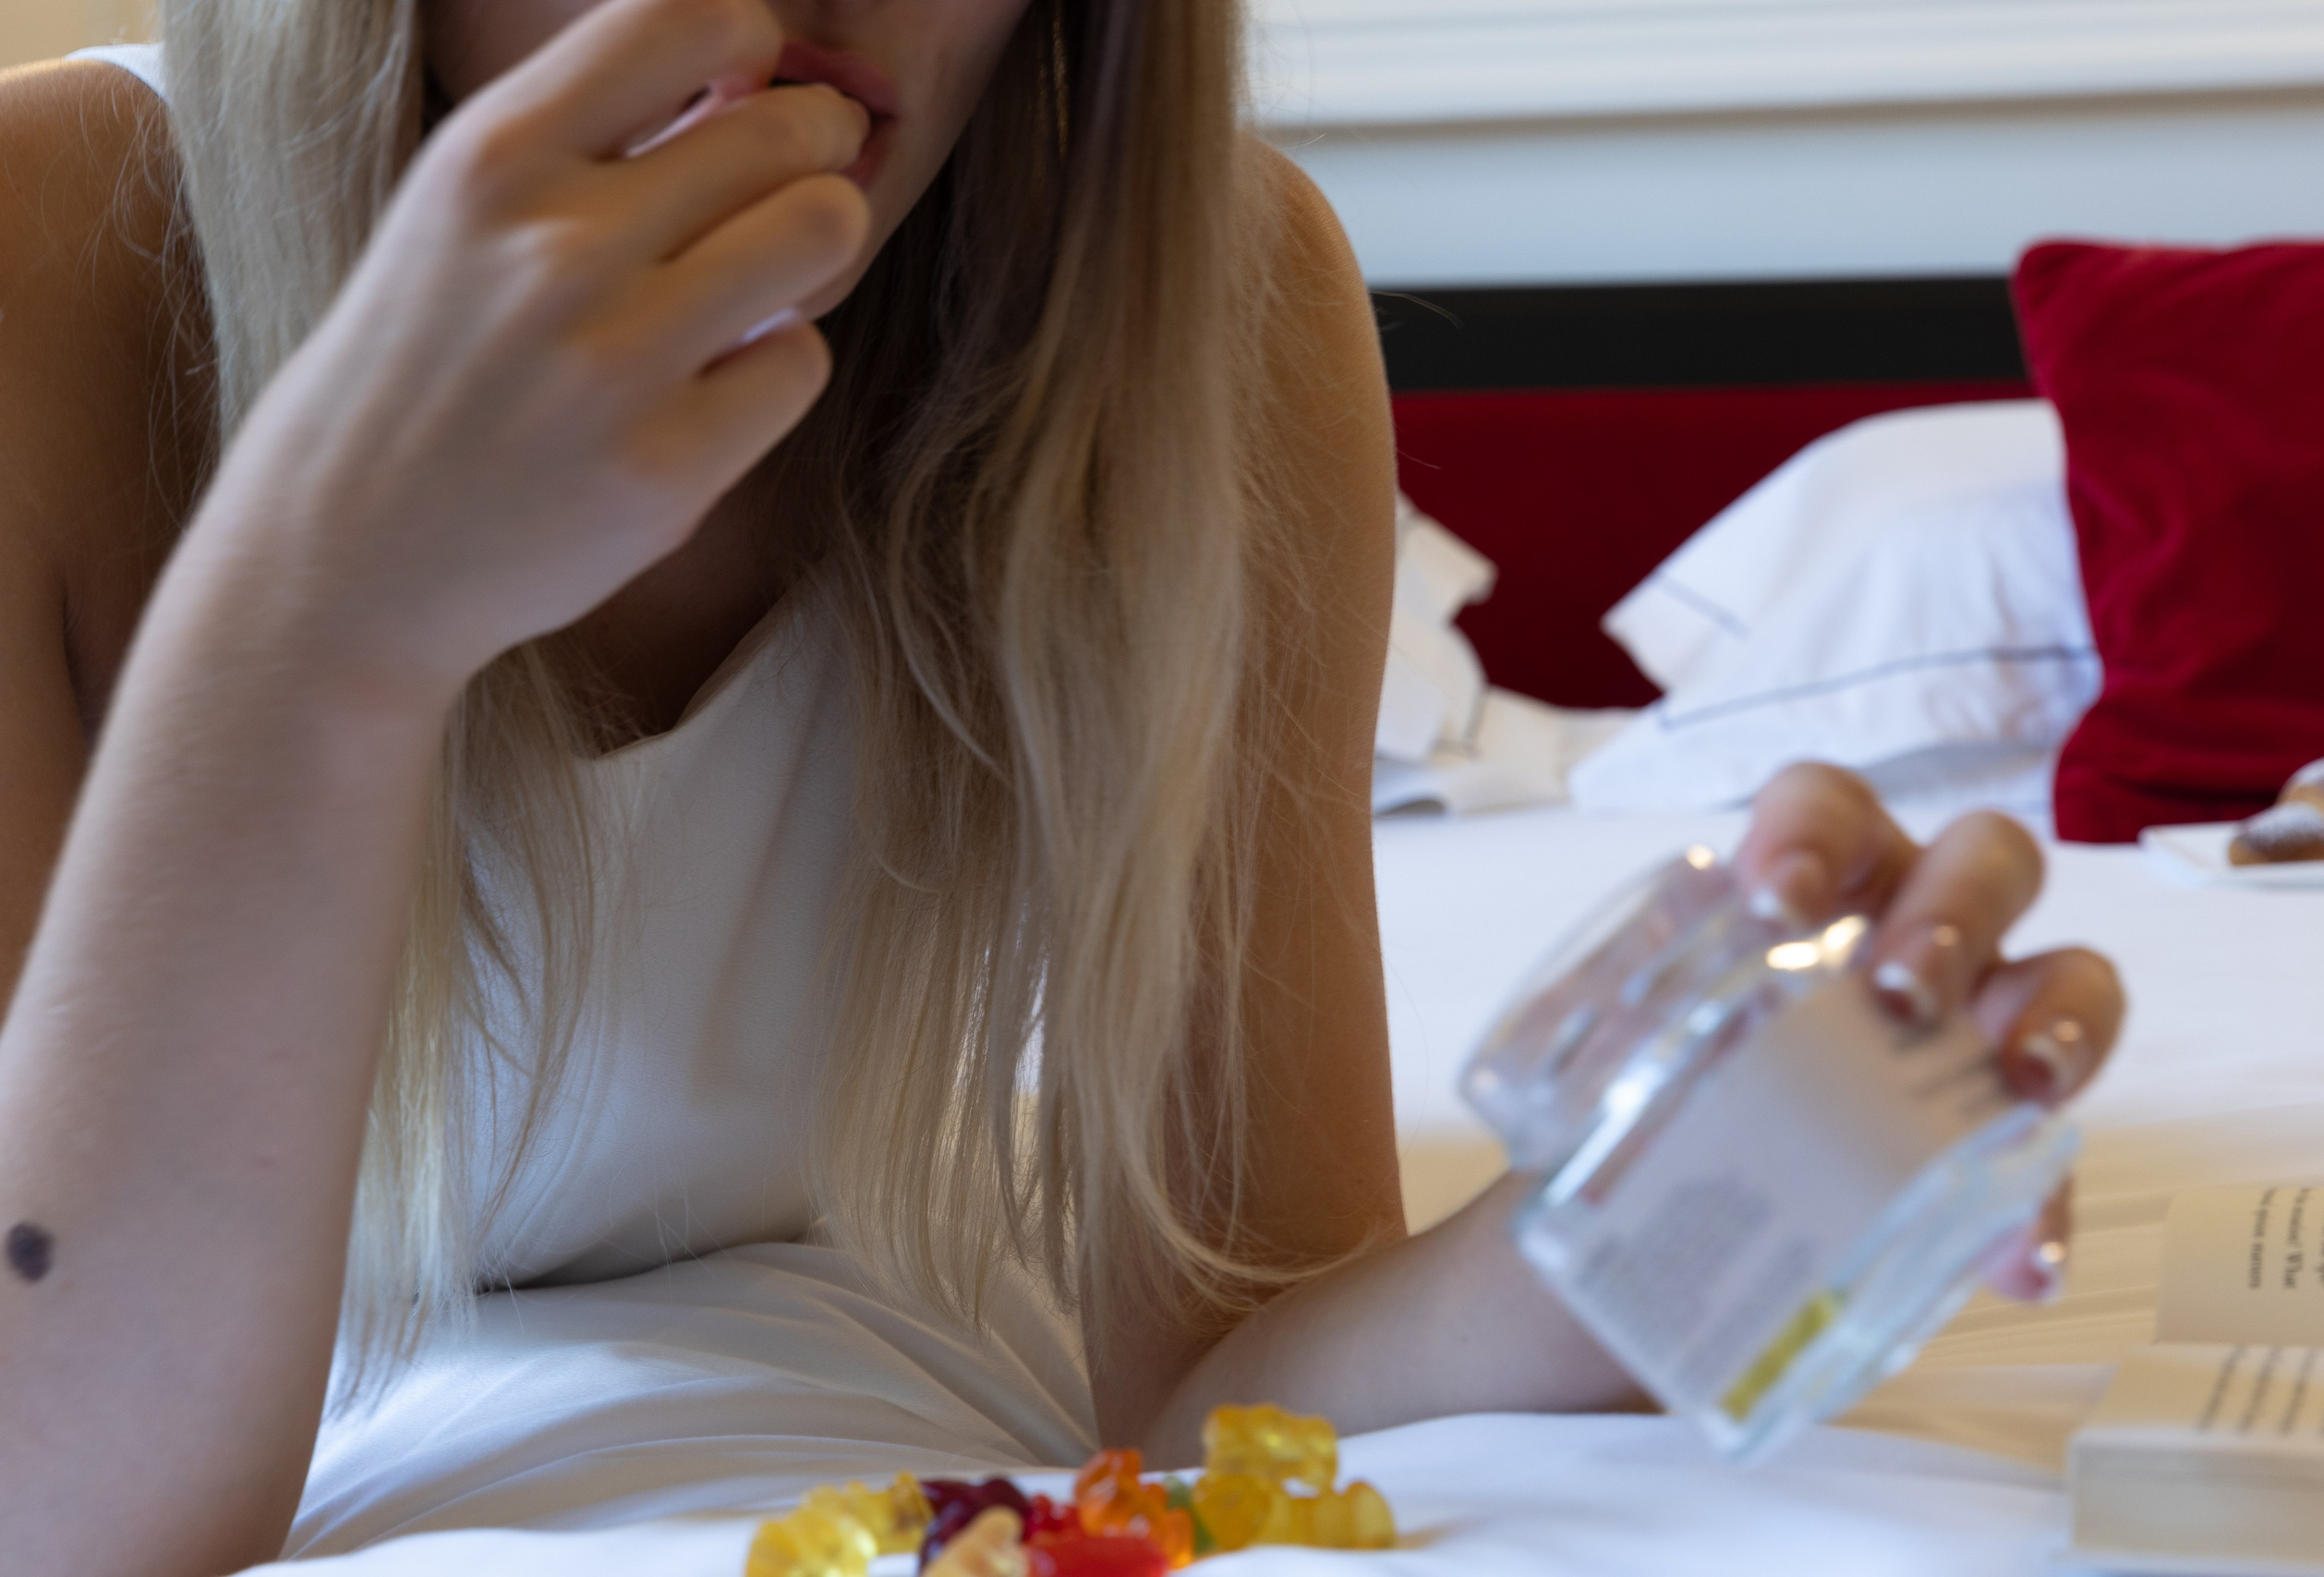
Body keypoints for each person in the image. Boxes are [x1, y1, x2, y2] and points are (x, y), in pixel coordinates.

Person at [0, 2, 2126, 1573]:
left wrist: (1626, 1237)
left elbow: (1224, 1350)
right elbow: (58, 1492)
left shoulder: (1211, 313)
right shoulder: (44, 267)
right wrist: (321, 613)